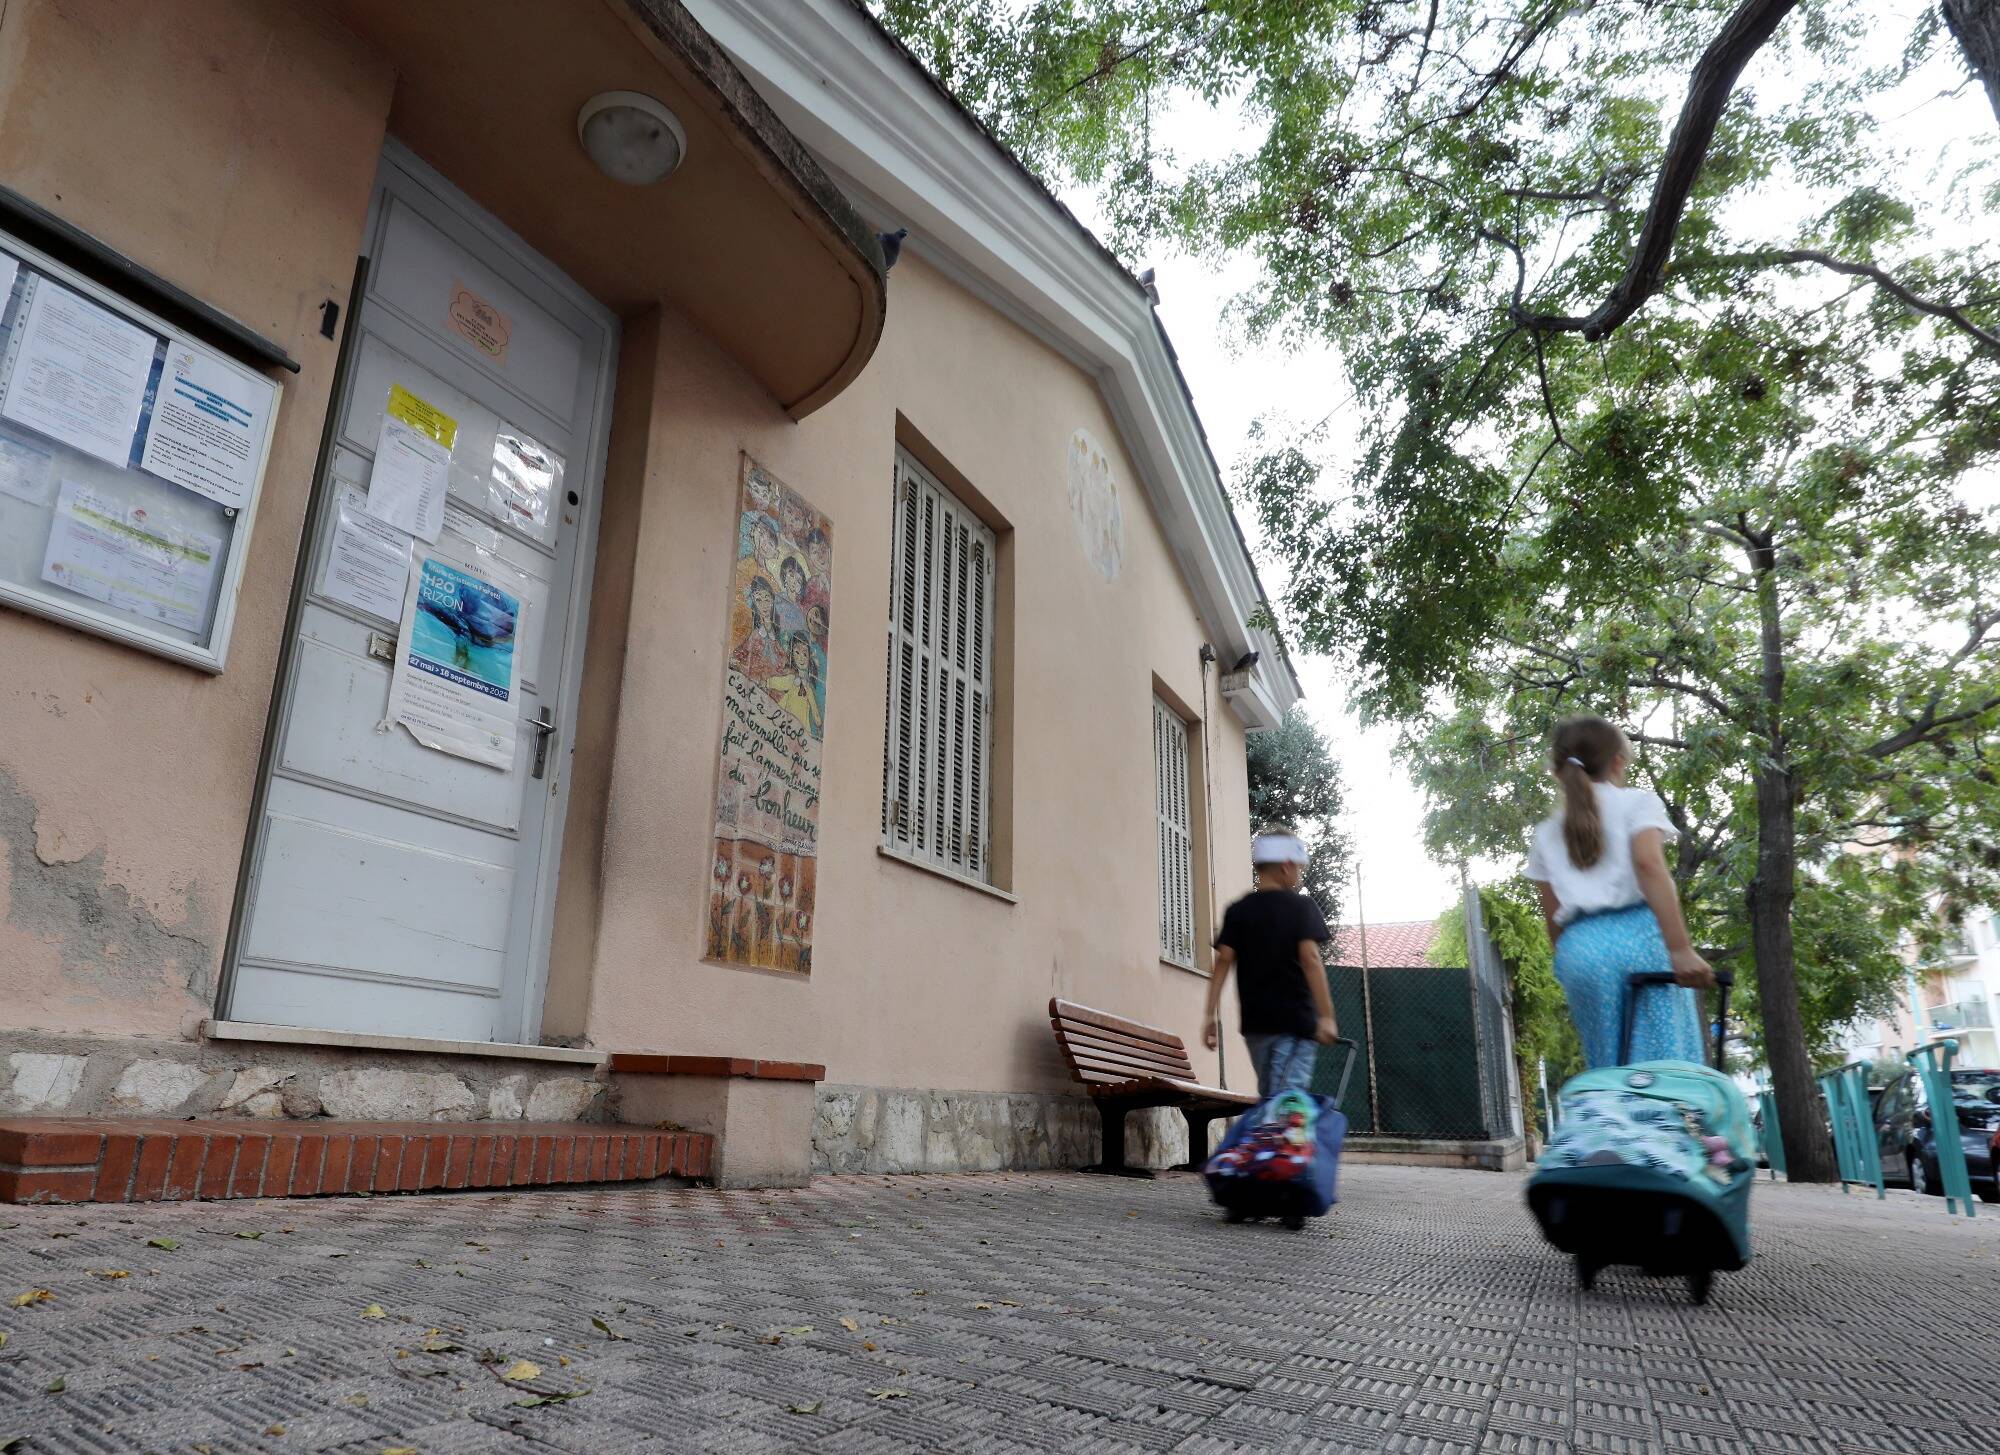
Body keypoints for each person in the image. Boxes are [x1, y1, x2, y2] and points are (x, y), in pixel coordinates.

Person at [1525, 715, 1716, 1069]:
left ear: (1558, 770)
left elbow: (1552, 917)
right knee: (1663, 1064)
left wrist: (1573, 961)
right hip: (1639, 941)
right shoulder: (1637, 804)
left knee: (1610, 1067)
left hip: (1580, 951)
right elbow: (1648, 866)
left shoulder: (1546, 832)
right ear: (1618, 762)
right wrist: (1681, 949)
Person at [1202, 828, 1339, 1099]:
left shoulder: (1238, 911)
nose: (1299, 873)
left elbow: (1223, 962)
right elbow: (1310, 959)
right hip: (1295, 1024)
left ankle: (1271, 1139)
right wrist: (1326, 1016)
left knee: (1273, 1098)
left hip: (1256, 1028)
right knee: (1284, 1107)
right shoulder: (1302, 907)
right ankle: (1269, 1141)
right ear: (1287, 866)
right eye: (1299, 867)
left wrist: (1210, 1015)